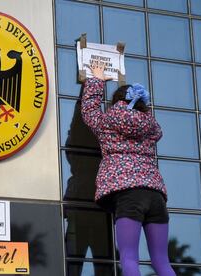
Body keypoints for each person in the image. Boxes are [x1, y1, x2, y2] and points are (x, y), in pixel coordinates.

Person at [80, 64, 176, 276]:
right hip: (156, 196)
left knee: (129, 258)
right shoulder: (150, 127)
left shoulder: (107, 123)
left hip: (129, 195)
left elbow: (89, 110)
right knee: (162, 261)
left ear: (116, 103)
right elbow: (150, 121)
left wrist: (96, 80)